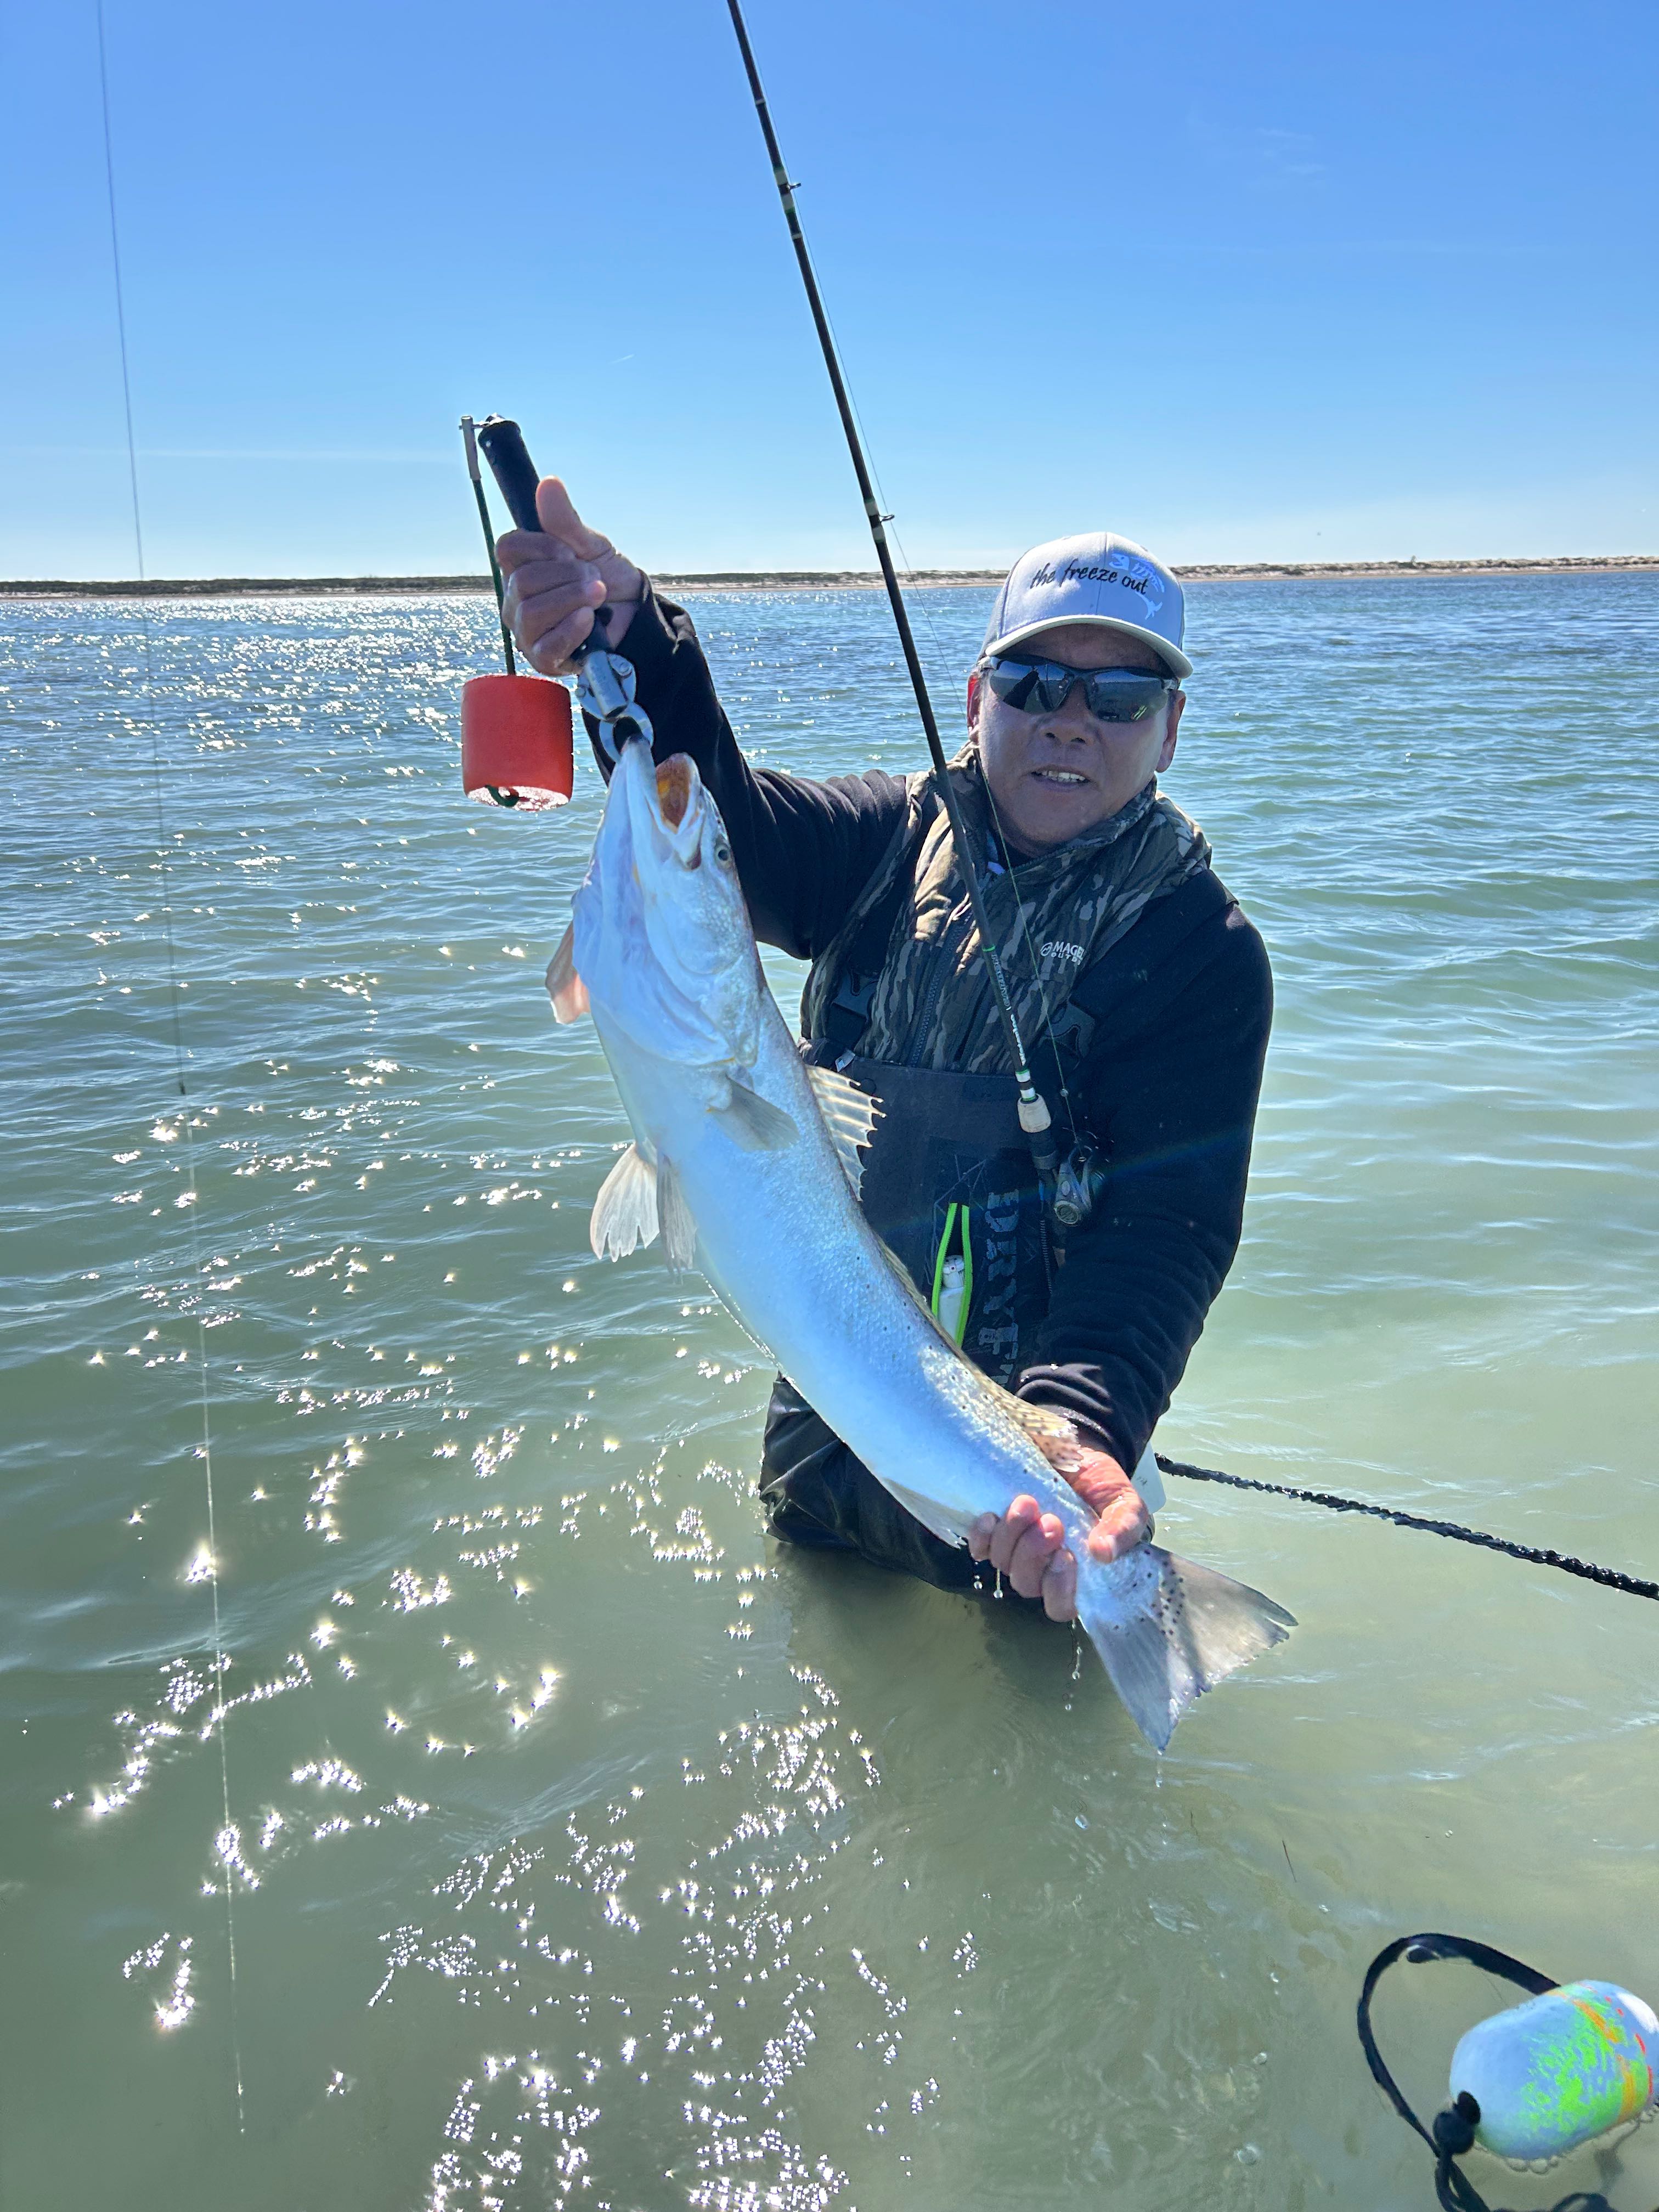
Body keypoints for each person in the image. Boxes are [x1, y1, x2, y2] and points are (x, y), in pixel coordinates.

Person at [497, 483, 1272, 1627]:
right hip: (830, 1411)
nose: (1071, 721)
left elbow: (1168, 1230)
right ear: (977, 699)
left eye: (1120, 696)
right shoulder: (882, 839)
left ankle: (1135, 1611)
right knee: (819, 1644)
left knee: (1037, 1689)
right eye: (1035, 683)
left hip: (1037, 1448)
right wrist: (641, 643)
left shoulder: (1200, 950)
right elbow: (735, 829)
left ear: (1170, 729)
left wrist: (1079, 1426)